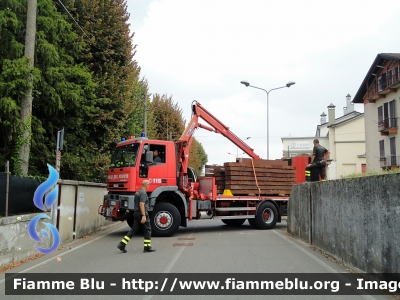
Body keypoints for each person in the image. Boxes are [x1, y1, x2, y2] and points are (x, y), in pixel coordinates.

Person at [117, 180, 156, 253]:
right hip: (141, 214)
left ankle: (122, 244)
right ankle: (147, 247)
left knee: (133, 230)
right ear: (146, 185)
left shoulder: (137, 192)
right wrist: (143, 215)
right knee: (147, 230)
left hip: (136, 213)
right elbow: (142, 204)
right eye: (149, 184)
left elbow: (135, 203)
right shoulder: (143, 193)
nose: (149, 186)